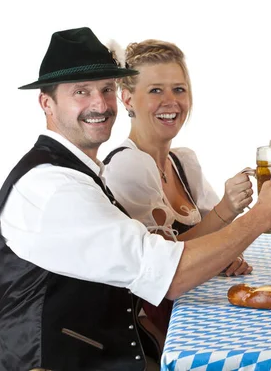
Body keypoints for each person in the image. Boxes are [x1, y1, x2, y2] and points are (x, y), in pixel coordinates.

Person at [0, 27, 271, 371]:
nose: (100, 104)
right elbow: (170, 275)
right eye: (81, 92)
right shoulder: (53, 188)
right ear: (47, 103)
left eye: (106, 89)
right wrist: (262, 216)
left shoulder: (80, 171)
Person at [103, 39, 253, 342]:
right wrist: (228, 210)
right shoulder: (127, 165)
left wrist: (223, 254)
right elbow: (161, 266)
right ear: (128, 98)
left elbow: (215, 240)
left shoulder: (182, 161)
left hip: (192, 315)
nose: (171, 100)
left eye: (179, 89)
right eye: (156, 90)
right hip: (145, 335)